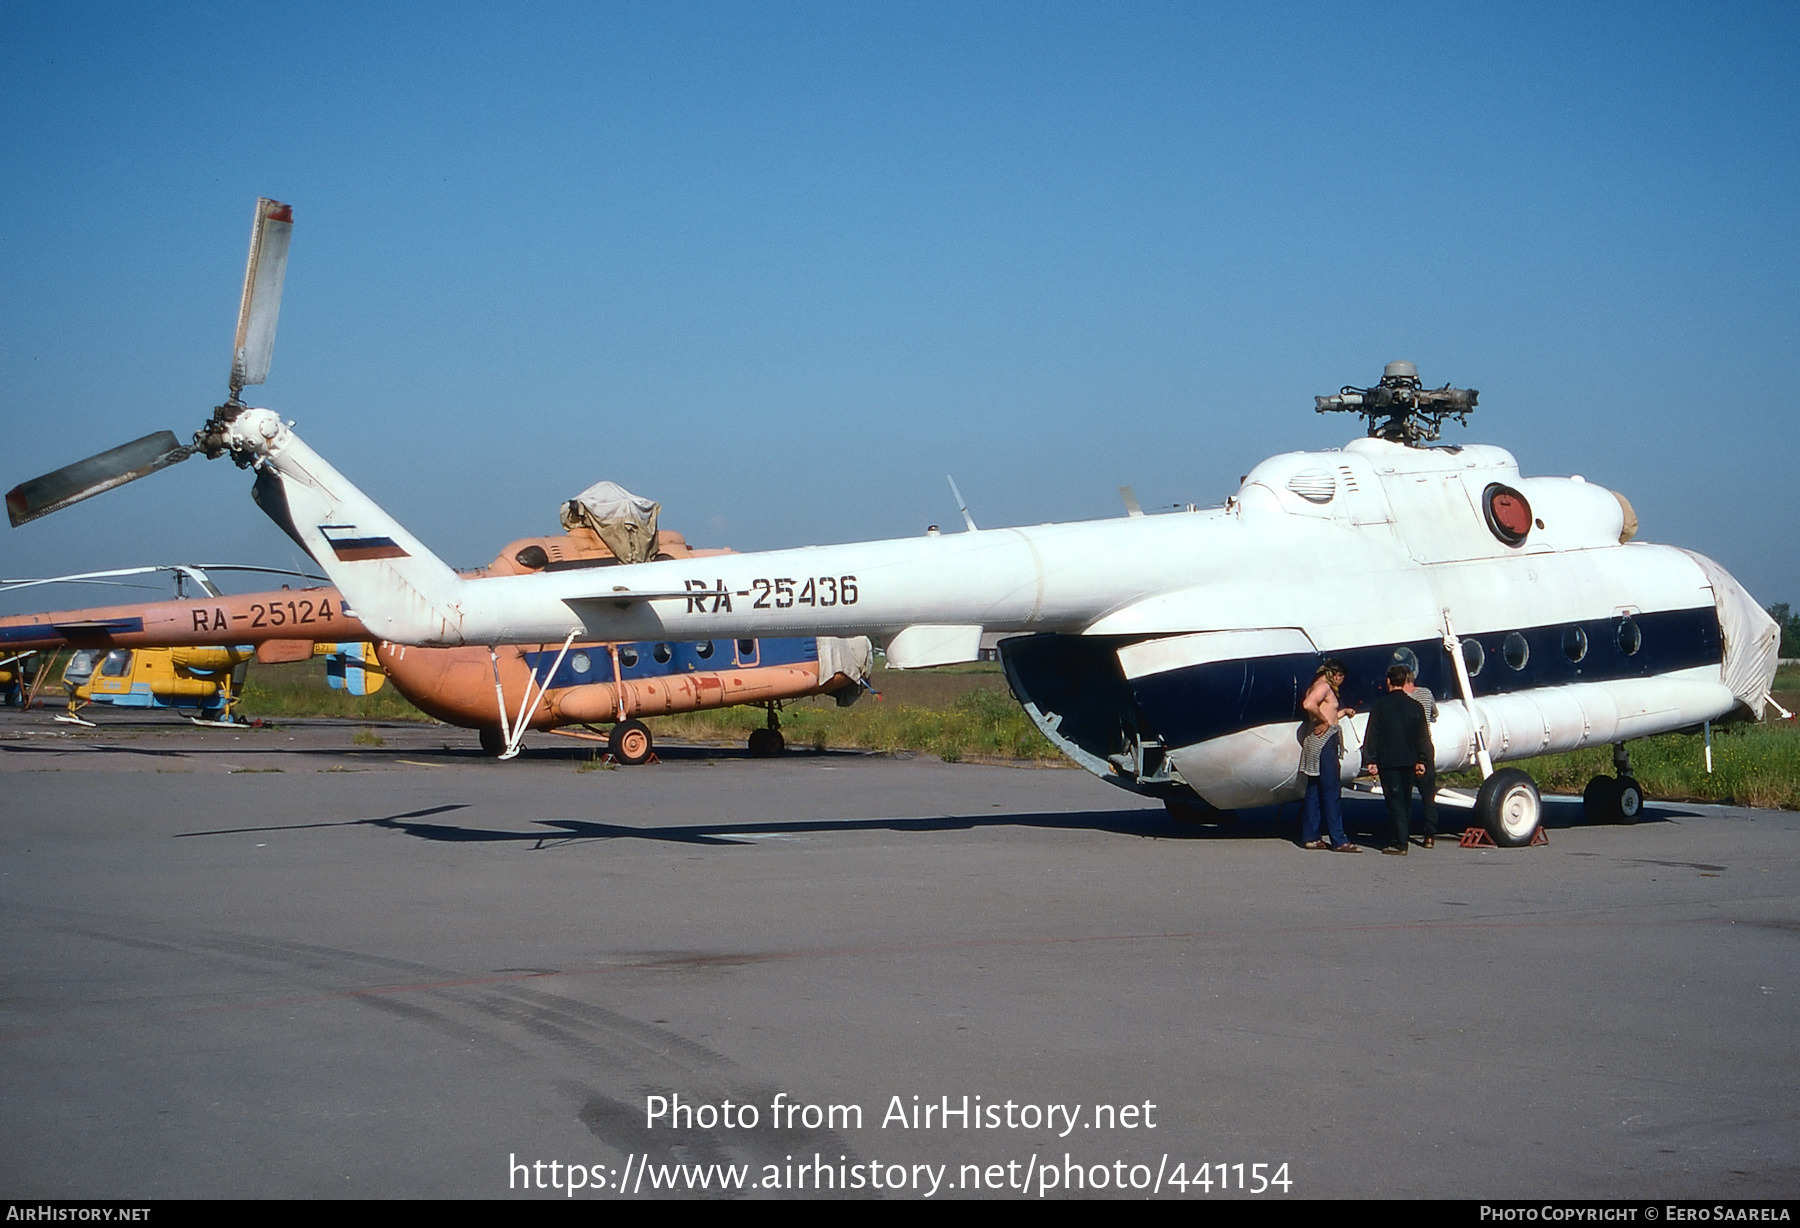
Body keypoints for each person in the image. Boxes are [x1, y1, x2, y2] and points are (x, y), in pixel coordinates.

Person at [1360, 664, 1434, 854]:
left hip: (1389, 760)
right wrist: (1422, 760)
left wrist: (1370, 759)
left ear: (1388, 682)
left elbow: (1373, 734)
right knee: (1406, 799)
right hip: (1410, 759)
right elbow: (1422, 736)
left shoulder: (1380, 706)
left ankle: (1400, 842)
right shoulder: (1415, 706)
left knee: (1394, 800)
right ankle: (1402, 834)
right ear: (1405, 681)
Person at [1298, 660, 1358, 851]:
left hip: (1315, 741)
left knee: (1314, 789)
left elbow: (1324, 711)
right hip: (1325, 741)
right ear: (1336, 675)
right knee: (1331, 790)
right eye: (1341, 678)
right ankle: (1339, 839)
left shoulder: (1315, 686)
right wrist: (1324, 721)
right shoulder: (1323, 687)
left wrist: (1342, 713)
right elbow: (1308, 705)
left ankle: (1311, 836)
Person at [1402, 670, 1440, 845]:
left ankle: (1403, 831)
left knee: (1404, 793)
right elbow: (1434, 713)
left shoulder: (1401, 697)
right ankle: (1429, 835)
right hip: (1425, 744)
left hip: (1406, 746)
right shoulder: (1426, 693)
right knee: (1427, 794)